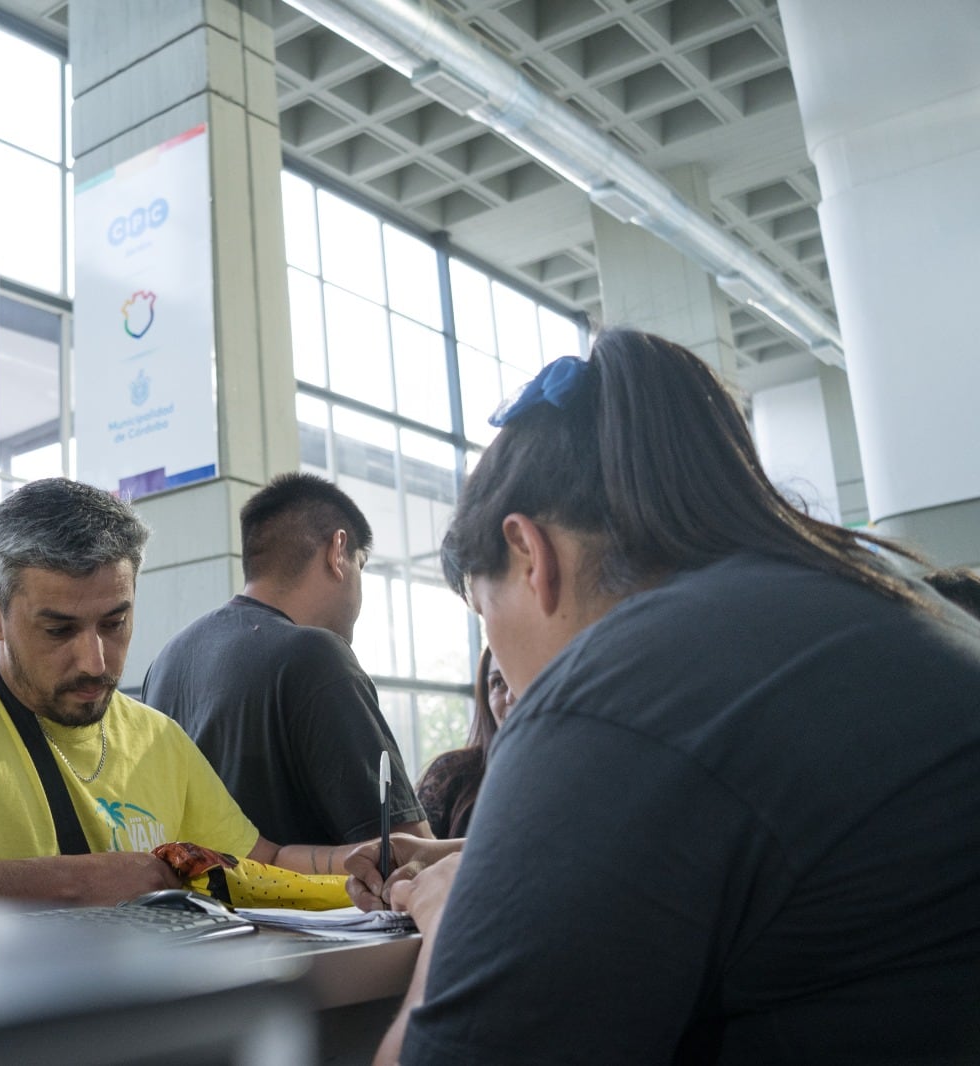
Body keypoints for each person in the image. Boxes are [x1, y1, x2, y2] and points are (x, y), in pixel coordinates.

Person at [345, 329, 980, 1064]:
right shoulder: (894, 610)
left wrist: (453, 919)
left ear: (529, 555)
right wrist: (482, 855)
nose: (511, 689)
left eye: (487, 614)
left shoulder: (615, 687)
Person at [0, 478, 347, 904]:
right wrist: (77, 883)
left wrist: (367, 863)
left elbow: (264, 863)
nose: (96, 661)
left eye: (115, 623)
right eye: (58, 630)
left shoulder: (158, 737)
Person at [141, 472, 427, 848]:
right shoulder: (315, 655)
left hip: (181, 906)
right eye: (361, 564)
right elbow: (407, 854)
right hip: (310, 906)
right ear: (337, 552)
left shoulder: (166, 662)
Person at [413, 646, 514, 839]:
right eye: (499, 682)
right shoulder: (449, 775)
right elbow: (412, 861)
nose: (510, 696)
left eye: (523, 679)